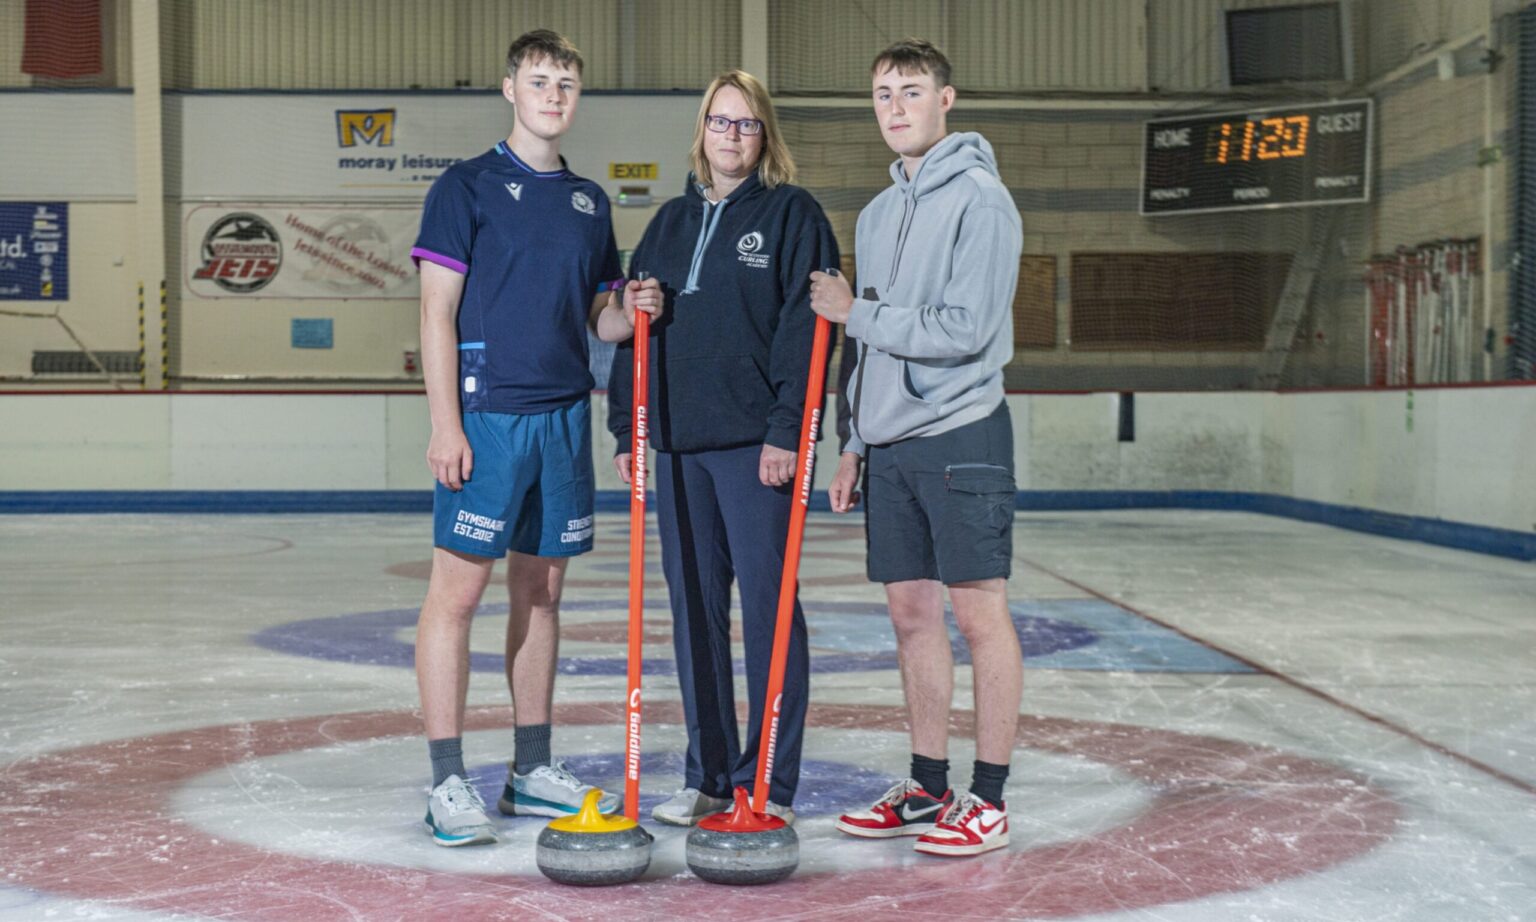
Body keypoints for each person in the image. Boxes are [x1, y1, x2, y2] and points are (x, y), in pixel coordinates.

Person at [409, 29, 661, 847]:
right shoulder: (466, 186)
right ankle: (447, 780)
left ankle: (530, 769)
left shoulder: (589, 201)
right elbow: (435, 312)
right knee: (458, 595)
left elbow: (601, 316)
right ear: (510, 88)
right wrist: (445, 422)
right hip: (486, 419)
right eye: (540, 80)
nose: (554, 95)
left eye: (567, 84)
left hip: (563, 416)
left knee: (542, 593)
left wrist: (637, 313)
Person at [808, 38, 1023, 857]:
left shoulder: (981, 200)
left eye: (910, 91)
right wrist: (855, 441)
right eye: (882, 95)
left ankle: (990, 797)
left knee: (979, 613)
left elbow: (967, 331)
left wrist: (851, 313)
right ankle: (929, 784)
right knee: (909, 616)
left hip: (963, 432)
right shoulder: (876, 211)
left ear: (946, 100)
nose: (895, 107)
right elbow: (865, 349)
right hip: (889, 444)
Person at [608, 70, 839, 827]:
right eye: (720, 122)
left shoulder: (792, 214)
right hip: (675, 446)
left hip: (753, 449)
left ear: (765, 135)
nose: (731, 136)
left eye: (746, 124)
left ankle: (765, 780)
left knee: (771, 613)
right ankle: (708, 775)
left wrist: (786, 432)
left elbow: (805, 332)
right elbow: (633, 331)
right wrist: (626, 430)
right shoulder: (668, 223)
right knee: (695, 612)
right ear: (701, 130)